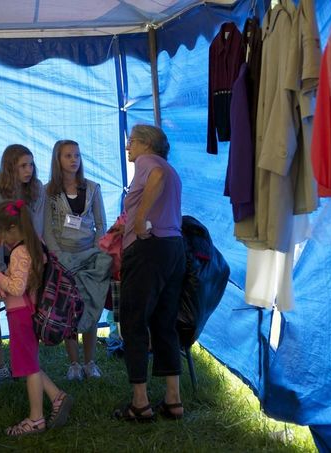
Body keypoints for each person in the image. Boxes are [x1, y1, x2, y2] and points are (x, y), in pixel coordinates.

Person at [113, 125, 186, 422]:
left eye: (131, 141)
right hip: (173, 248)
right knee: (165, 323)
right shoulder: (170, 168)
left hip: (147, 251)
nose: (128, 147)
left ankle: (140, 402)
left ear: (145, 144)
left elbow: (155, 179)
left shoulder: (149, 164)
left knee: (133, 322)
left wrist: (140, 218)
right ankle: (173, 399)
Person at [0, 200, 73, 436]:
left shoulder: (20, 252)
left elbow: (16, 287)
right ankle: (57, 397)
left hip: (20, 313)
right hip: (28, 311)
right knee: (29, 361)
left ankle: (36, 419)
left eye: (0, 232)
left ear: (12, 229)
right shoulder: (34, 244)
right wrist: (0, 247)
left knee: (29, 368)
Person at [44, 140, 109, 381]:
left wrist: (97, 249)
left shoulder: (92, 188)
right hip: (63, 258)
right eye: (68, 156)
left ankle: (90, 362)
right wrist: (58, 256)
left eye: (77, 155)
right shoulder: (48, 191)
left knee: (90, 307)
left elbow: (101, 223)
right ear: (57, 160)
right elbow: (47, 229)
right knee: (69, 310)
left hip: (90, 257)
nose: (74, 160)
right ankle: (73, 363)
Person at [0, 144, 45, 385]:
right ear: (10, 167)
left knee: (25, 311)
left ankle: (30, 363)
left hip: (25, 256)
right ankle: (0, 364)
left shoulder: (37, 188)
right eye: (23, 166)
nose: (29, 170)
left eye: (31, 164)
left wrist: (36, 260)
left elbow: (39, 226)